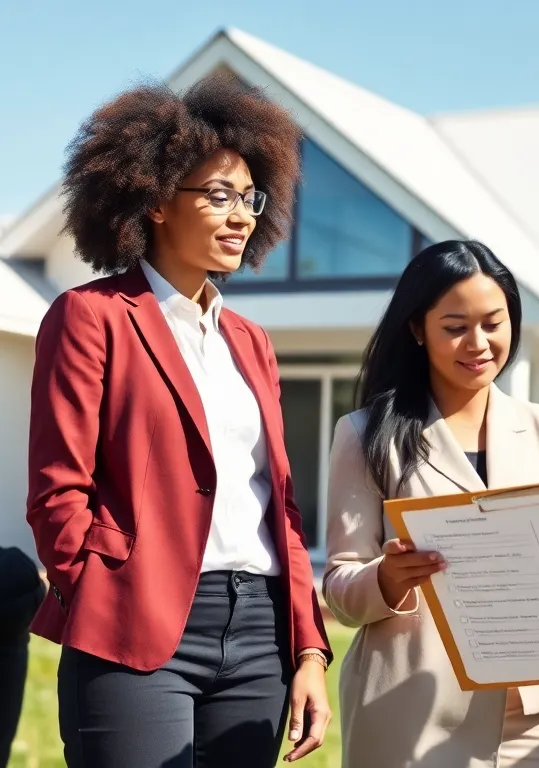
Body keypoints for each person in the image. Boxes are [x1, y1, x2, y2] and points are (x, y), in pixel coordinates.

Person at [25, 72, 333, 767]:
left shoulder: (250, 342)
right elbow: (56, 490)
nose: (241, 216)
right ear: (158, 199)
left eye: (250, 198)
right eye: (219, 195)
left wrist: (308, 648)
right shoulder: (91, 318)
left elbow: (279, 505)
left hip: (259, 635)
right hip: (134, 621)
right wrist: (100, 590)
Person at [323, 239, 539, 768]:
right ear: (417, 329)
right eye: (455, 327)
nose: (478, 344)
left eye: (493, 323)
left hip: (534, 722)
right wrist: (387, 578)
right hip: (411, 718)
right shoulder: (364, 435)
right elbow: (340, 590)